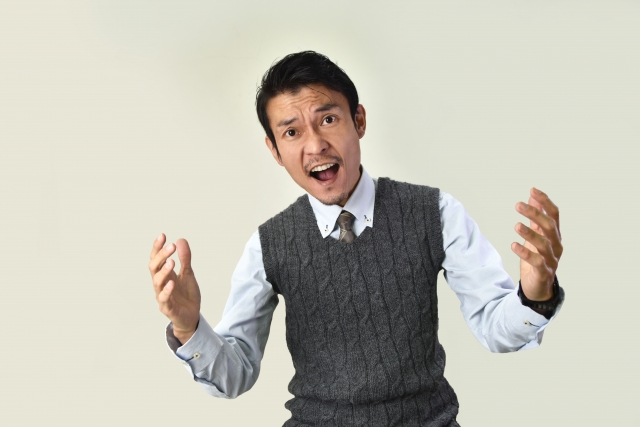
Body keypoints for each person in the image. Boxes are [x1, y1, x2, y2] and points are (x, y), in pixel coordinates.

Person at [148, 51, 564, 427]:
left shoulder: (435, 212)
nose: (315, 145)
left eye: (328, 120)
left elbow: (496, 326)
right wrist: (188, 328)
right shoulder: (268, 244)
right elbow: (235, 374)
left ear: (359, 120)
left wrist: (535, 295)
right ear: (274, 150)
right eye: (292, 133)